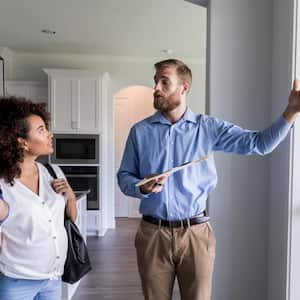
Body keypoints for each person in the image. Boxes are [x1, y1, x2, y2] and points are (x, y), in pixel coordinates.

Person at [117, 59, 300, 300]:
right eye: (156, 82)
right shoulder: (139, 132)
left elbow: (259, 143)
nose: (157, 89)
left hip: (196, 234)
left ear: (184, 88)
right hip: (153, 235)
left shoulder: (207, 128)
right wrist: (143, 187)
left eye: (165, 82)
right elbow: (124, 177)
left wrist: (291, 112)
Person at [0, 97, 77, 300]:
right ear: (22, 142)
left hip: (53, 278)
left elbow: (70, 219)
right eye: (41, 130)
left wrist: (70, 198)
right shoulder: (2, 184)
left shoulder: (53, 172)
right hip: (16, 282)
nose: (50, 134)